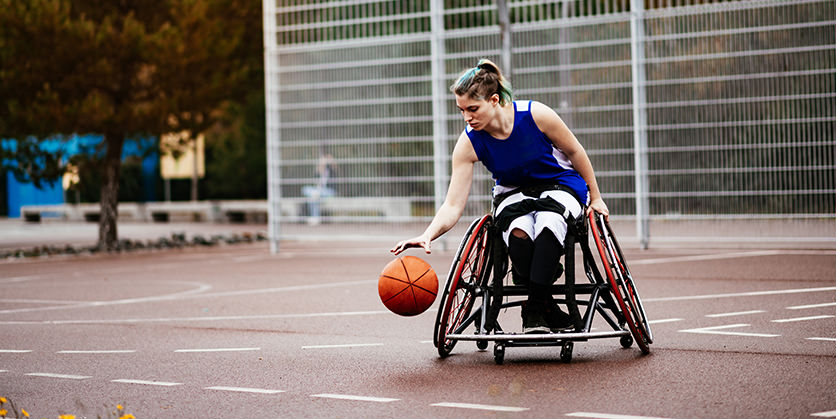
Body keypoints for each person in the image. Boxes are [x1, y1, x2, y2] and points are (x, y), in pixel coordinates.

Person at [391, 59, 609, 334]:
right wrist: (428, 234)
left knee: (549, 221)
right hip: (513, 192)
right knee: (517, 230)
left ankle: (534, 309)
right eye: (461, 110)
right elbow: (453, 204)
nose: (467, 118)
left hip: (559, 184)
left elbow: (576, 152)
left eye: (473, 109)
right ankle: (543, 300)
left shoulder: (535, 115)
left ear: (494, 100)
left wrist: (596, 196)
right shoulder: (469, 142)